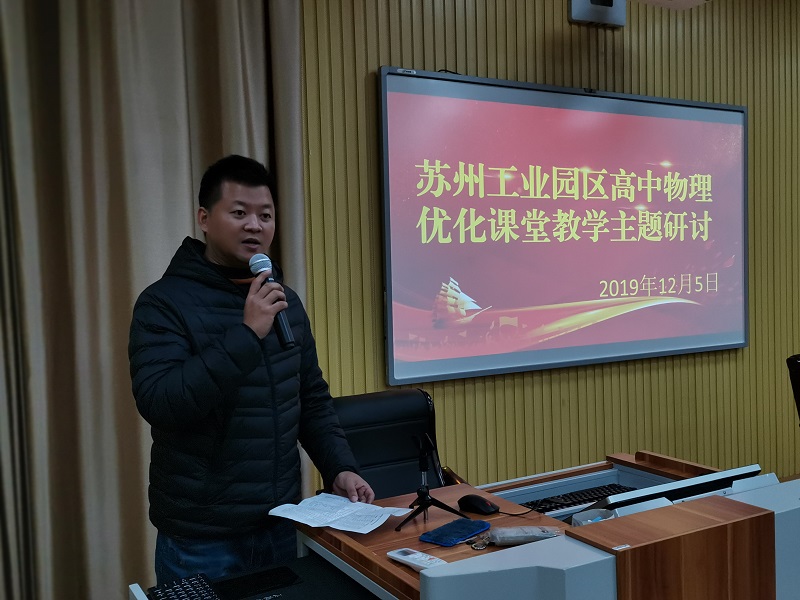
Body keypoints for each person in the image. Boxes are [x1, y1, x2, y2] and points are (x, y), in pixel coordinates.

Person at [128, 154, 374, 585]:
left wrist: (340, 467)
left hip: (279, 521)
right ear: (204, 219)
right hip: (201, 535)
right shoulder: (163, 302)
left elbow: (310, 398)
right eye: (239, 213)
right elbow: (162, 403)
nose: (255, 226)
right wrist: (246, 334)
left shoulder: (284, 301)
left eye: (265, 215)